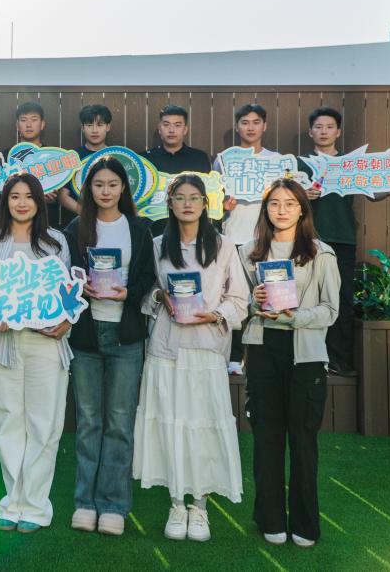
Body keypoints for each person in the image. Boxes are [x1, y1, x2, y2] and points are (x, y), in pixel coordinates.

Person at [133, 173, 248, 543]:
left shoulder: (223, 246)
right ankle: (175, 504)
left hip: (206, 350)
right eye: (179, 197)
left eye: (194, 197)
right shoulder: (156, 245)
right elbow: (143, 293)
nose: (187, 204)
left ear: (205, 203)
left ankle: (199, 506)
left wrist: (214, 315)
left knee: (202, 426)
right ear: (169, 203)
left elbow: (239, 300)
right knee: (170, 425)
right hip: (166, 349)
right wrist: (159, 298)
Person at [240, 178, 340, 548]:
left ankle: (305, 523)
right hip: (263, 349)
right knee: (267, 438)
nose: (281, 210)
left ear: (302, 210)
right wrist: (254, 301)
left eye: (289, 203)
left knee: (302, 440)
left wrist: (296, 316)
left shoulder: (320, 253)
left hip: (306, 354)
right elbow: (238, 305)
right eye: (274, 204)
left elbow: (331, 310)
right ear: (265, 209)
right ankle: (269, 517)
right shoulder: (248, 252)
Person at [63, 157, 155, 536]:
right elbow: (66, 276)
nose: (105, 191)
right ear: (89, 189)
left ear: (123, 188)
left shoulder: (138, 228)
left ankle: (114, 505)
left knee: (119, 423)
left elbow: (148, 277)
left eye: (112, 184)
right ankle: (85, 502)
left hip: (125, 335)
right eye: (98, 184)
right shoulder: (75, 229)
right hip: (86, 334)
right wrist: (78, 286)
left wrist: (128, 293)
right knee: (88, 423)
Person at [0, 173, 73, 534]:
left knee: (44, 424)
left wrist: (65, 322)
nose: (21, 203)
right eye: (14, 196)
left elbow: (68, 293)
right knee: (7, 422)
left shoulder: (56, 242)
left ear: (39, 202)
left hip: (46, 344)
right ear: (5, 202)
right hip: (5, 345)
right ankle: (12, 502)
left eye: (28, 196)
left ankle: (35, 506)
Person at [299, 107, 390, 377]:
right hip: (307, 239)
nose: (324, 132)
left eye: (329, 127)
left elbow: (372, 193)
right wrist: (303, 195)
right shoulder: (300, 163)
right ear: (310, 132)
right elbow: (285, 196)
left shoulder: (352, 163)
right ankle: (308, 359)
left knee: (342, 298)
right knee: (306, 298)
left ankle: (338, 360)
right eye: (318, 127)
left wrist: (389, 190)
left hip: (342, 239)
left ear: (338, 132)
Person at [214, 104, 278, 376]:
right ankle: (234, 356)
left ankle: (260, 358)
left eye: (256, 122)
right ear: (237, 126)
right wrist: (222, 207)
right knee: (235, 297)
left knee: (267, 298)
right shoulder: (224, 159)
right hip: (233, 238)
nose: (250, 127)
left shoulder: (277, 161)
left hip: (267, 239)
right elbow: (213, 202)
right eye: (245, 122)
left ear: (265, 126)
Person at [142, 104, 212, 239]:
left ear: (185, 129)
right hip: (154, 231)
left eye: (177, 125)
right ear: (159, 128)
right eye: (166, 125)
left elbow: (207, 194)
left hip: (192, 232)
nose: (171, 130)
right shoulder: (145, 160)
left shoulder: (199, 157)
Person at [58, 104, 114, 217]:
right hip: (79, 219)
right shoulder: (73, 157)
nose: (94, 130)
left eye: (100, 125)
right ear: (83, 128)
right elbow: (63, 196)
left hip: (111, 218)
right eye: (89, 125)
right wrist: (87, 214)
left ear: (108, 127)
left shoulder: (116, 156)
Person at [14, 102, 62, 227]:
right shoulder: (6, 157)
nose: (29, 125)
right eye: (23, 120)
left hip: (46, 223)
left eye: (34, 120)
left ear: (42, 124)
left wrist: (53, 198)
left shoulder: (54, 158)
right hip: (13, 224)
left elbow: (61, 194)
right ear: (17, 125)